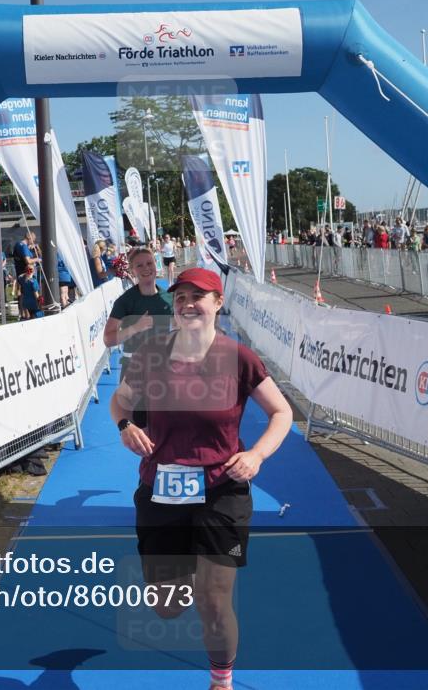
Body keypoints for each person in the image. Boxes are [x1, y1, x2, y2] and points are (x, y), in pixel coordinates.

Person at [109, 267, 292, 690]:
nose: (188, 304)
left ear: (218, 303)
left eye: (198, 296)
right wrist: (125, 428)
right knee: (167, 607)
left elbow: (282, 413)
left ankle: (221, 680)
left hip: (220, 489)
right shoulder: (151, 354)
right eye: (181, 298)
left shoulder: (239, 358)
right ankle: (187, 571)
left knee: (214, 600)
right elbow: (120, 403)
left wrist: (257, 454)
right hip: (160, 490)